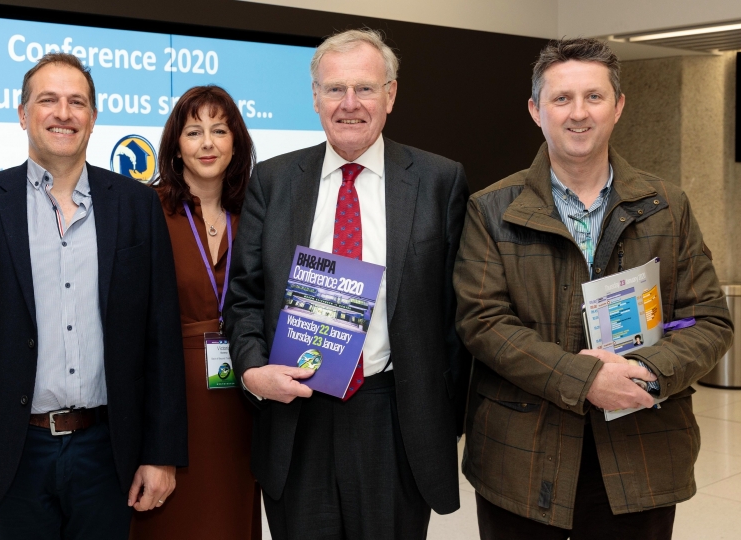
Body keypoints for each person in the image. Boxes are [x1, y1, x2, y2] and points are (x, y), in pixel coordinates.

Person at [454, 37, 734, 539]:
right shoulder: (492, 208)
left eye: (594, 97)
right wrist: (586, 381)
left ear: (619, 106)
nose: (578, 113)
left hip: (640, 450)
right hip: (523, 456)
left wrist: (645, 369)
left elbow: (711, 320)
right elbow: (483, 323)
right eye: (561, 99)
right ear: (535, 110)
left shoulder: (667, 205)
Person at [0, 53, 188, 539]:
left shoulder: (136, 206)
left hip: (108, 450)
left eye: (77, 102)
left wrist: (162, 453)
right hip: (13, 450)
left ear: (93, 118)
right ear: (23, 114)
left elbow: (160, 338)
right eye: (48, 100)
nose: (63, 113)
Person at [224, 28, 470, 540]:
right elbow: (244, 297)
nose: (350, 104)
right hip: (297, 415)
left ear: (392, 94)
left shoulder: (438, 180)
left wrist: (446, 412)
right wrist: (251, 372)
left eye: (365, 87)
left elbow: (457, 311)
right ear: (314, 97)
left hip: (395, 420)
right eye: (335, 89)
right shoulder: (272, 181)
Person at [129, 85, 261, 539]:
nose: (207, 143)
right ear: (176, 146)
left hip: (243, 394)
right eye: (193, 131)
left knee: (228, 516)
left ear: (236, 142)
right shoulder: (145, 211)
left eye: (219, 130)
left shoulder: (256, 214)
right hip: (169, 393)